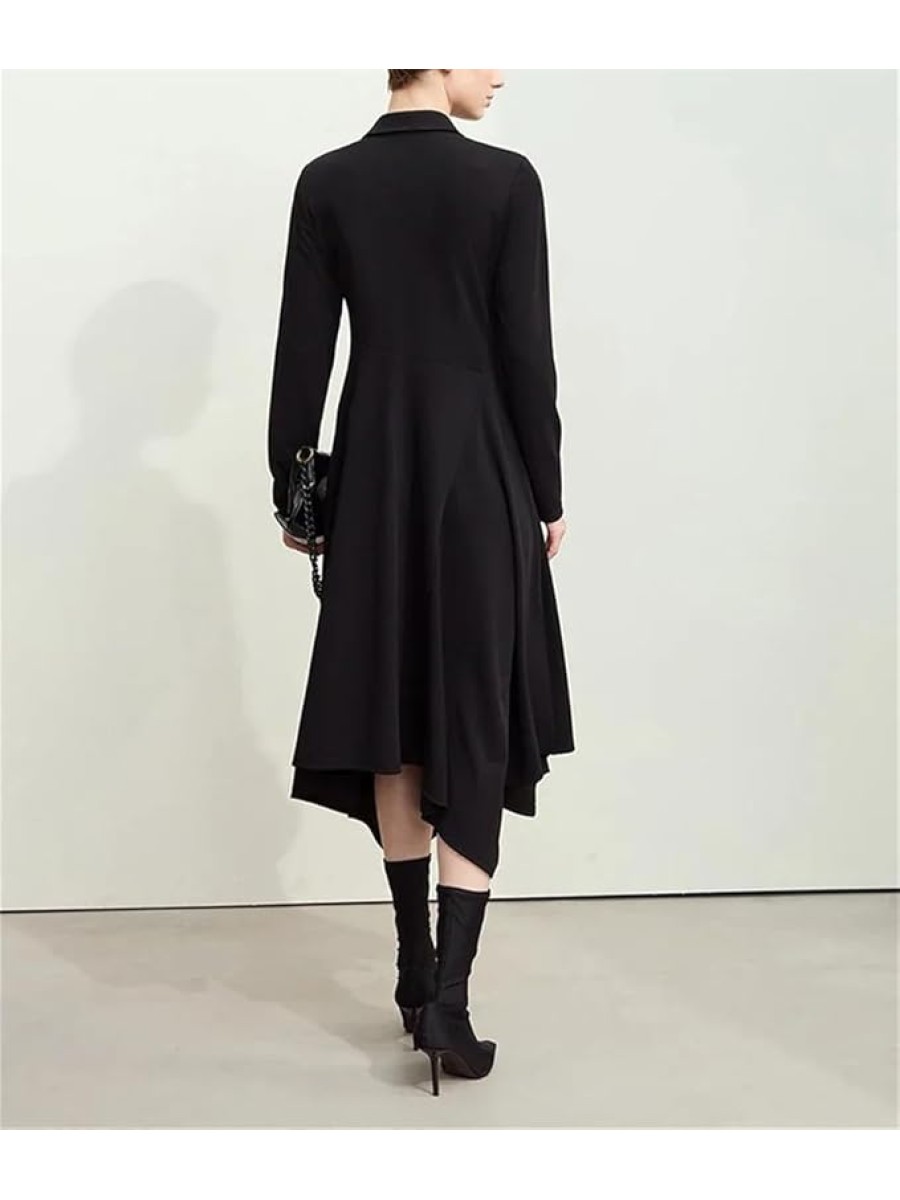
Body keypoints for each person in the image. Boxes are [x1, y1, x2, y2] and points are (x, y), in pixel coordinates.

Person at [267, 69, 575, 1095]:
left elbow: (303, 354)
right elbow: (527, 352)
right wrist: (546, 489)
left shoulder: (328, 180)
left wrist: (298, 493)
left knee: (392, 712)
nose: (500, 71)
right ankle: (449, 997)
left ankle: (412, 970)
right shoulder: (506, 180)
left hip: (376, 472)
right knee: (475, 715)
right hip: (480, 467)